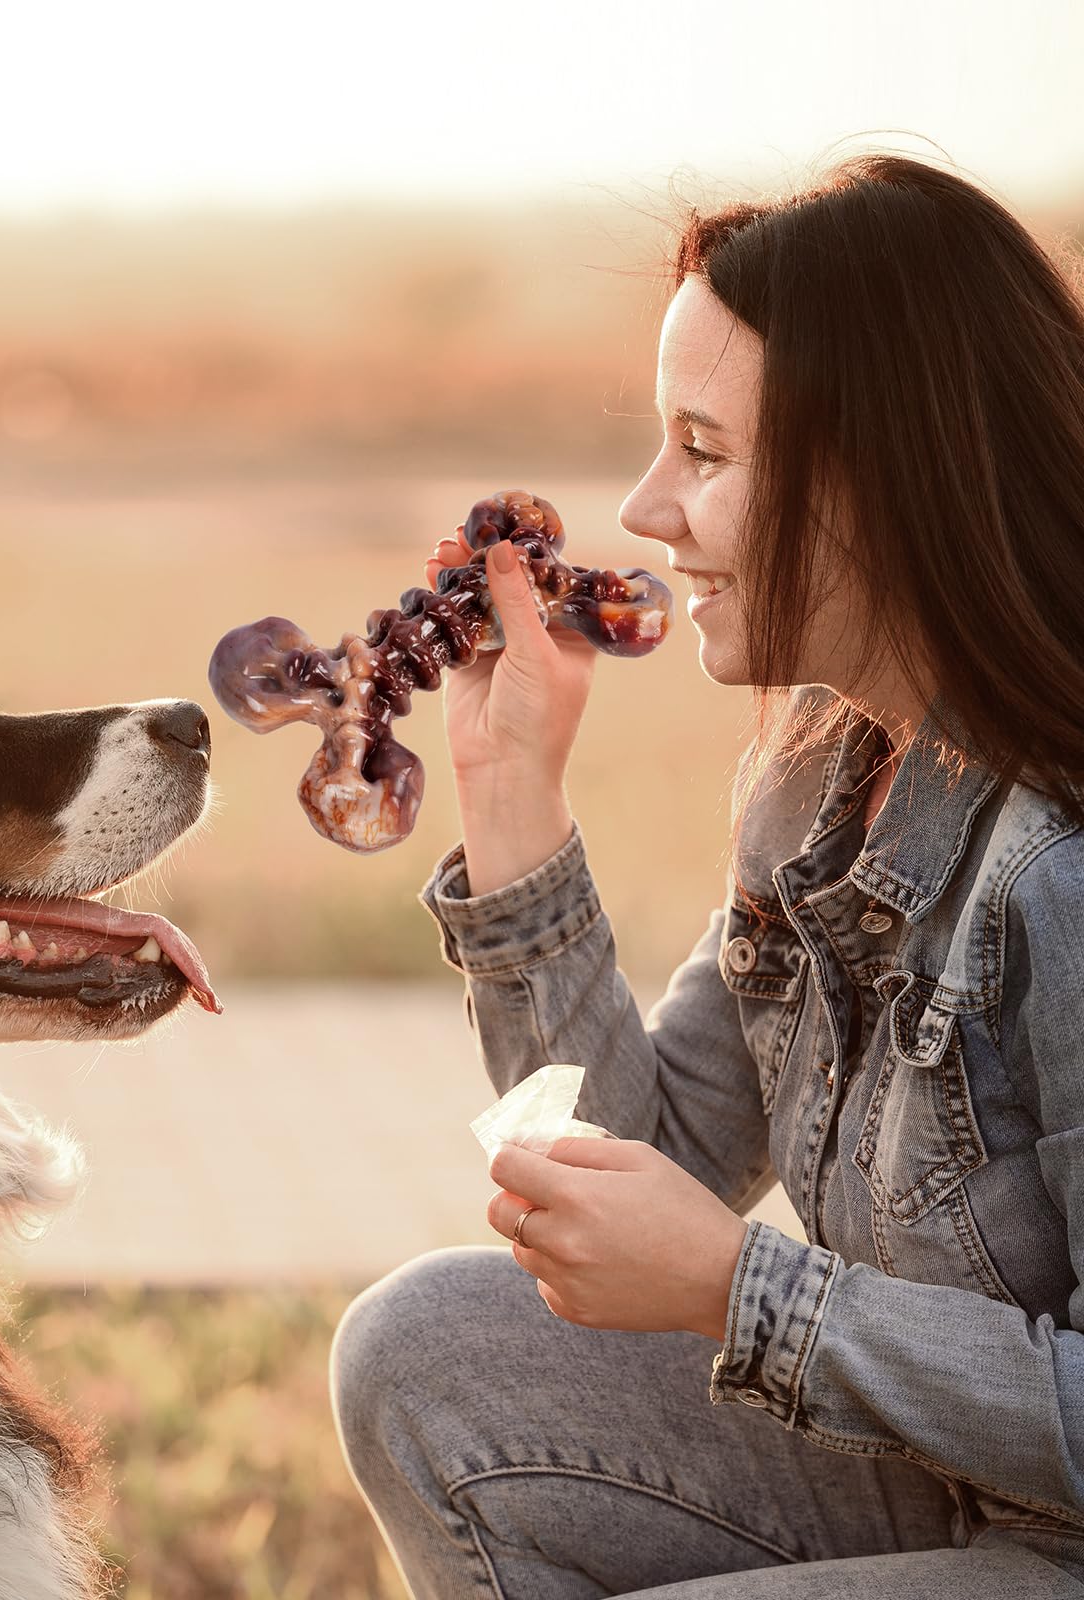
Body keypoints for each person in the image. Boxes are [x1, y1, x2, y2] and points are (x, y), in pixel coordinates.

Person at [329, 153, 1084, 1597]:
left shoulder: (1064, 876)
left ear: (888, 475)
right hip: (961, 1493)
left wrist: (750, 1293)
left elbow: (705, 1262)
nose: (647, 507)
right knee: (427, 1354)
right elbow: (638, 1174)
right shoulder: (821, 776)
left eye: (707, 451)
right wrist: (513, 801)